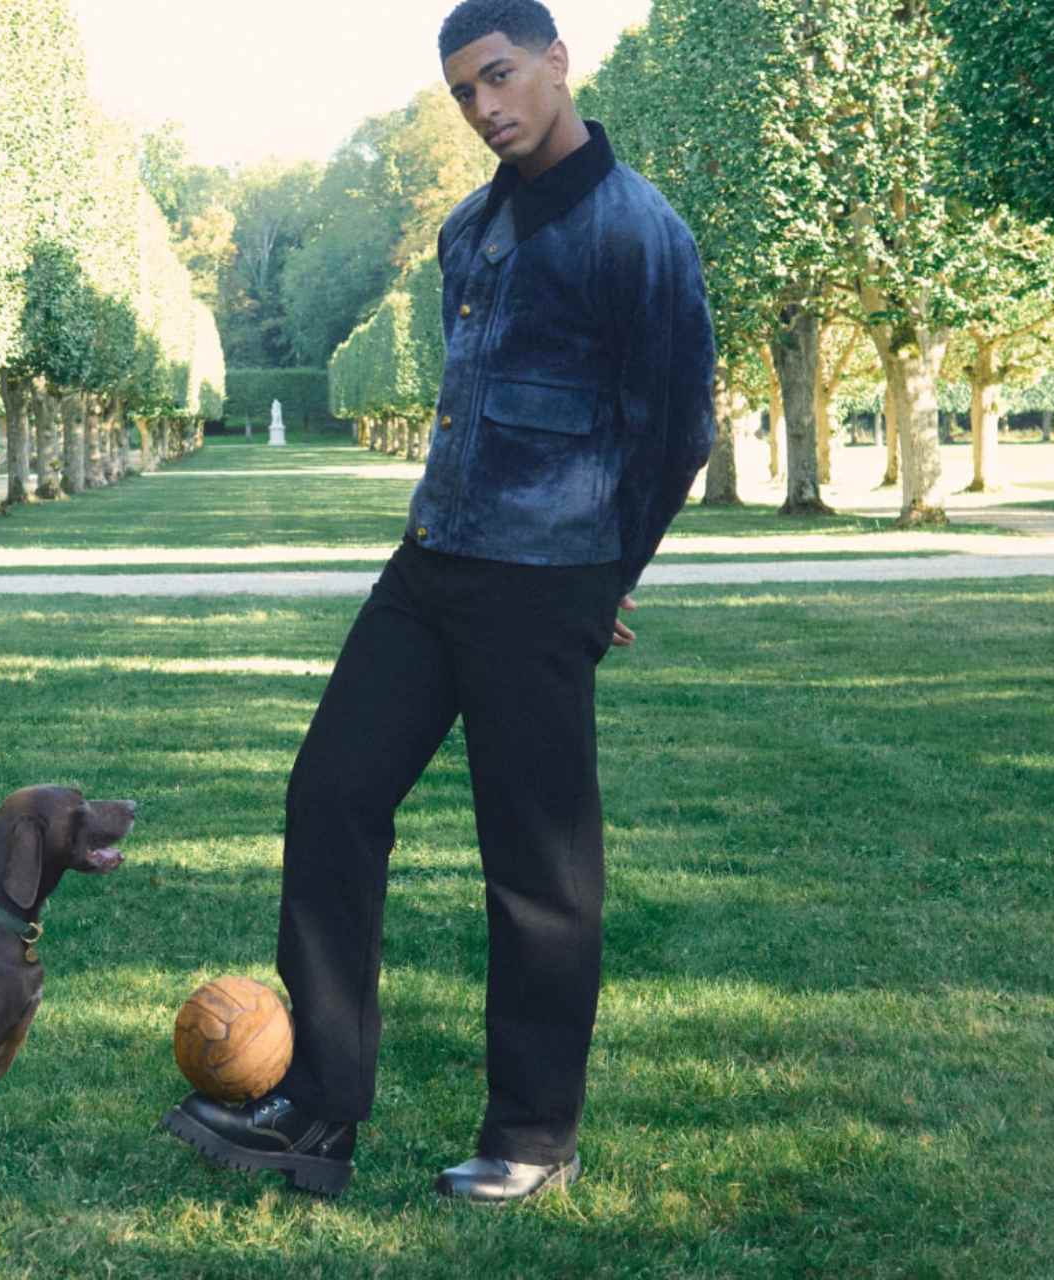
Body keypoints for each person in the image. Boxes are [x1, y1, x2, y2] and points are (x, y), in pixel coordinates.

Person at [163, 0, 716, 1204]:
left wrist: (604, 578)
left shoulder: (637, 232)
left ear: (558, 61)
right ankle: (318, 1105)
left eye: (500, 76)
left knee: (535, 866)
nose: (484, 108)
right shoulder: (470, 228)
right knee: (331, 793)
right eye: (464, 92)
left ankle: (533, 1133)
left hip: (544, 585)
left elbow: (679, 430)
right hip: (430, 564)